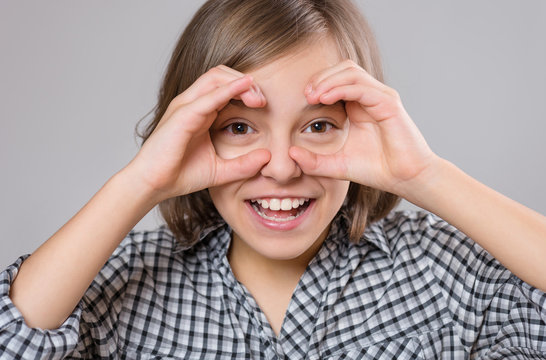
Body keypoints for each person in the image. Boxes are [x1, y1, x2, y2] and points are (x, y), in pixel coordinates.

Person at [1, 0, 545, 358]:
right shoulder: (123, 283)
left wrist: (424, 174)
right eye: (239, 127)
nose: (282, 167)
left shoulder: (442, 274)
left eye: (317, 125)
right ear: (192, 131)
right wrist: (139, 182)